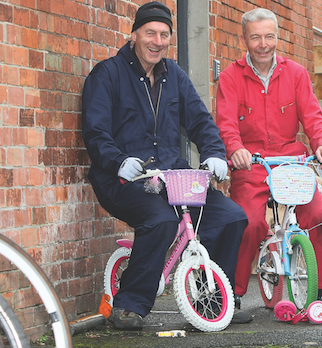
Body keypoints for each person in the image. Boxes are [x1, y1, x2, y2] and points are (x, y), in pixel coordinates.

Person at [81, 1, 251, 330]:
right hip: (122, 180)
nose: (157, 41)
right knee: (159, 221)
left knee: (231, 217)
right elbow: (95, 132)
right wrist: (118, 162)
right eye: (150, 33)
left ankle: (210, 302)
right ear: (134, 35)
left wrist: (214, 152)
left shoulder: (174, 75)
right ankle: (128, 305)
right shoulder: (108, 74)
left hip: (172, 179)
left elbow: (201, 122)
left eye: (164, 35)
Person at [216, 8, 322, 313]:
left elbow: (312, 117)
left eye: (269, 36)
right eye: (256, 37)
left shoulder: (296, 73)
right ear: (244, 38)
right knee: (248, 222)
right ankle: (233, 293)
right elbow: (225, 123)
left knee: (318, 215)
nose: (263, 44)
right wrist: (235, 149)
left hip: (291, 163)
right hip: (252, 165)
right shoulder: (231, 77)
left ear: (278, 37)